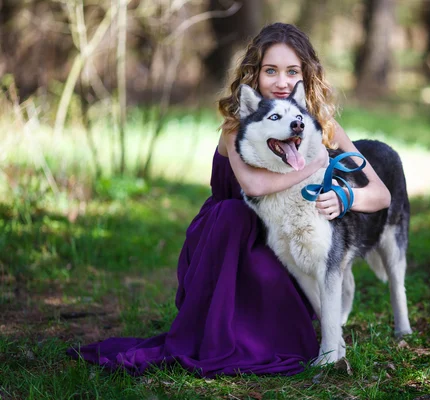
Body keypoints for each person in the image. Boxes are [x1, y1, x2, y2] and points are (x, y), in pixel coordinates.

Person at [67, 22, 391, 378]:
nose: (281, 82)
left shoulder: (321, 124)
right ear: (254, 74)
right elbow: (253, 186)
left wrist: (346, 195)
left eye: (291, 71)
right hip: (229, 239)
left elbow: (381, 194)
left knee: (296, 311)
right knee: (240, 226)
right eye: (271, 71)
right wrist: (314, 162)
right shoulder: (238, 123)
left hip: (288, 235)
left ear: (305, 76)